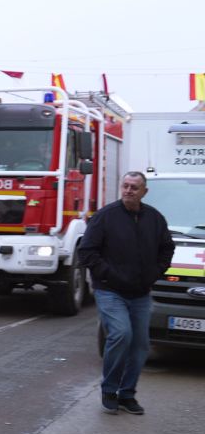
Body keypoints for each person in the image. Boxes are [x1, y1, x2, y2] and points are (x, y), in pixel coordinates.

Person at [78, 171, 174, 415]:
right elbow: (87, 251)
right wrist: (109, 275)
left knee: (140, 345)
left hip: (141, 293)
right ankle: (109, 390)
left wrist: (154, 273)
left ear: (144, 192)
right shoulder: (105, 217)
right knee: (121, 334)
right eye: (126, 186)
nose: (129, 191)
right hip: (111, 291)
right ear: (121, 188)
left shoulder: (155, 218)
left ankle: (127, 394)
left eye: (135, 187)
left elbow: (167, 248)